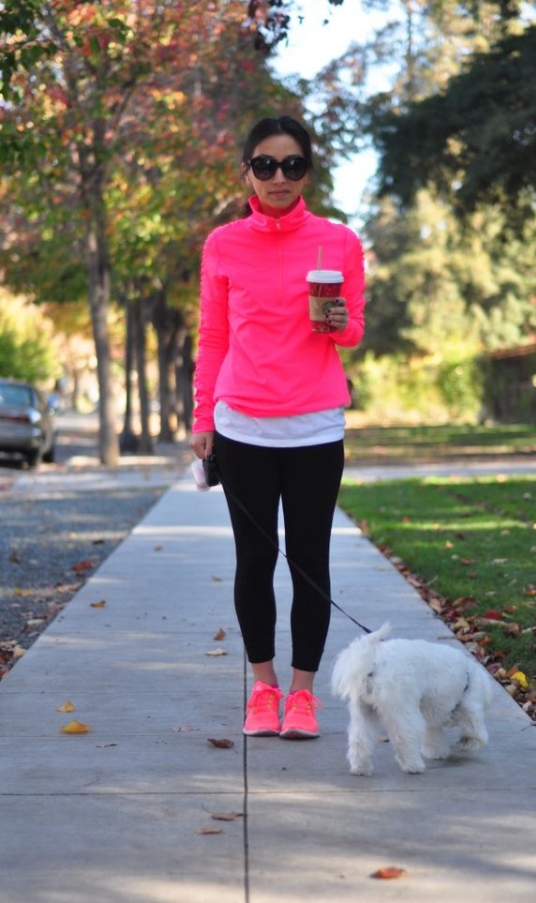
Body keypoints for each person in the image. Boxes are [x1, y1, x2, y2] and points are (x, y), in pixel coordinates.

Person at [190, 115, 365, 740]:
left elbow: (353, 331)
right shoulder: (223, 244)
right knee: (254, 562)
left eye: (292, 165)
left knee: (310, 562)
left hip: (316, 425)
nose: (279, 177)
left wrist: (335, 321)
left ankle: (304, 694)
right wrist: (202, 417)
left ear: (307, 172)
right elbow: (212, 337)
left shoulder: (339, 242)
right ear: (247, 172)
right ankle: (263, 690)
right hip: (242, 427)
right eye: (265, 164)